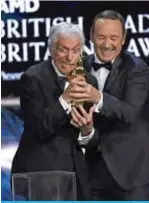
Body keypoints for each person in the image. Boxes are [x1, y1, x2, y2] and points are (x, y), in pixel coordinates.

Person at [70, 10, 149, 200]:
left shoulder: (137, 68)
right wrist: (85, 129)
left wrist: (98, 97)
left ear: (123, 39)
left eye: (114, 37)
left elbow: (130, 113)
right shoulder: (80, 66)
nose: (107, 44)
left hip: (132, 172)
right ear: (91, 36)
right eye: (101, 37)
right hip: (93, 171)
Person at [11, 22, 98, 200]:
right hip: (42, 173)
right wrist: (65, 99)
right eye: (63, 50)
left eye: (76, 50)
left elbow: (94, 139)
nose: (69, 57)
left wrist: (87, 130)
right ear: (51, 49)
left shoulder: (89, 81)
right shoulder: (32, 78)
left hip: (79, 176)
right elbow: (40, 128)